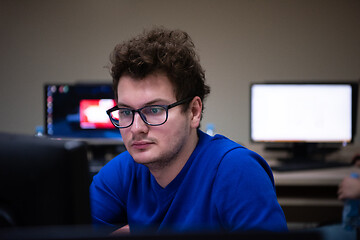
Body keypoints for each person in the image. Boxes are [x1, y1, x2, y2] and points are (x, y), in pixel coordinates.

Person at [89, 27, 287, 234]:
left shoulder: (236, 170)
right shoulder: (121, 172)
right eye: (126, 112)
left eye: (155, 110)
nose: (136, 128)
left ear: (193, 112)